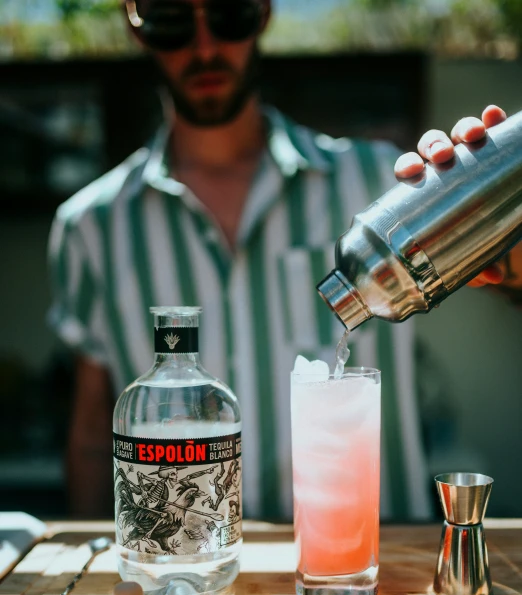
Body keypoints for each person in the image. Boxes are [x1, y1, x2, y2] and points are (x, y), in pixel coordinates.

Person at [47, 0, 517, 521]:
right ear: (136, 30)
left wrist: (510, 253)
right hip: (200, 580)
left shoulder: (378, 182)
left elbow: (508, 279)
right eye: (174, 20)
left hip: (377, 575)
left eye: (227, 16)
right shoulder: (92, 227)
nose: (205, 48)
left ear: (263, 13)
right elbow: (93, 435)